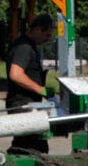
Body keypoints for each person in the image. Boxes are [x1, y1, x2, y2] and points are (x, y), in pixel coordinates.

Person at [4, 13, 56, 154]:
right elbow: (16, 74)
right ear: (37, 29)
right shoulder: (24, 47)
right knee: (32, 147)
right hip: (23, 105)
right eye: (47, 35)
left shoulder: (27, 45)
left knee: (27, 145)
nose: (48, 39)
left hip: (26, 104)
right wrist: (40, 89)